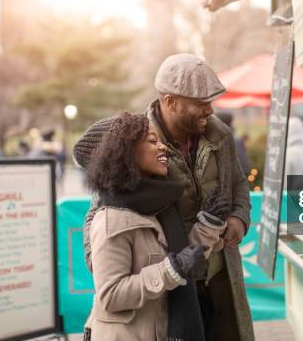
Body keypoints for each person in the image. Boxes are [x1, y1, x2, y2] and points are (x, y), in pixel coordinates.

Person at [75, 54, 254, 341]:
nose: (210, 109)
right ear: (170, 102)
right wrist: (107, 267)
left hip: (219, 278)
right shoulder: (135, 143)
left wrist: (239, 217)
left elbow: (239, 183)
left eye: (211, 101)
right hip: (168, 289)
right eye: (200, 102)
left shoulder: (220, 135)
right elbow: (100, 211)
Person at [83, 112, 229, 341]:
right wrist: (171, 270)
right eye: (153, 141)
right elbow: (111, 295)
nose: (163, 148)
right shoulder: (111, 217)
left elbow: (183, 260)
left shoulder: (161, 203)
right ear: (126, 152)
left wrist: (209, 225)